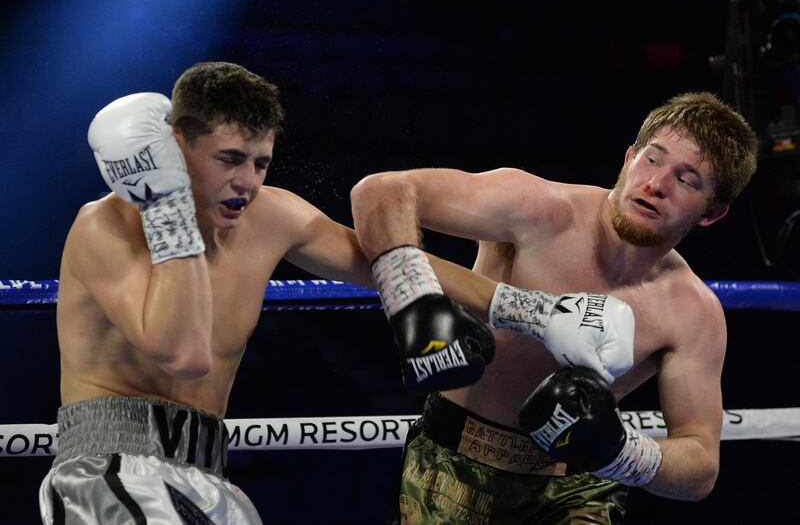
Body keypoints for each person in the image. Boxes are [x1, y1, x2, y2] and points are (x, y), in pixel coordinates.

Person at [38, 60, 624, 524]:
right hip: (110, 468)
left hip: (208, 475)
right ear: (174, 147)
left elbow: (391, 264)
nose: (246, 181)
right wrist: (167, 205)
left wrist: (535, 311)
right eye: (228, 159)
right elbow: (184, 353)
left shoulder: (270, 215)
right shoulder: (105, 227)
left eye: (261, 162)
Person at [351, 91, 758, 523]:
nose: (656, 184)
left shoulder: (691, 311)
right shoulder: (539, 210)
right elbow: (383, 192)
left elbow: (700, 467)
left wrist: (620, 451)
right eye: (653, 160)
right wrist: (415, 301)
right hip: (453, 463)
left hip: (579, 488)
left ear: (712, 214)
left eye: (686, 179)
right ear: (628, 158)